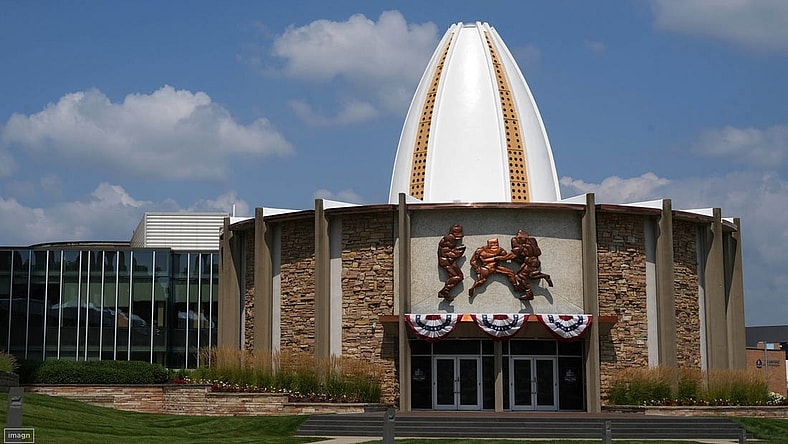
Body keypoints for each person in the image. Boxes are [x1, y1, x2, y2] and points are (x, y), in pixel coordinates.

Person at [509, 230, 553, 300]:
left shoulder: (526, 245)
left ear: (524, 237)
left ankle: (529, 293)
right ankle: (544, 276)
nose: (518, 239)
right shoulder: (531, 242)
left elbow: (517, 253)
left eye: (519, 237)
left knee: (520, 276)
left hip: (531, 262)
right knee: (531, 275)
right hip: (532, 262)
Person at [437, 224, 466, 301]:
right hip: (447, 261)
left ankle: (444, 291)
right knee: (457, 277)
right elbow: (447, 253)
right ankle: (445, 291)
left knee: (459, 276)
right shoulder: (449, 239)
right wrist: (460, 251)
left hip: (449, 261)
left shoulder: (449, 239)